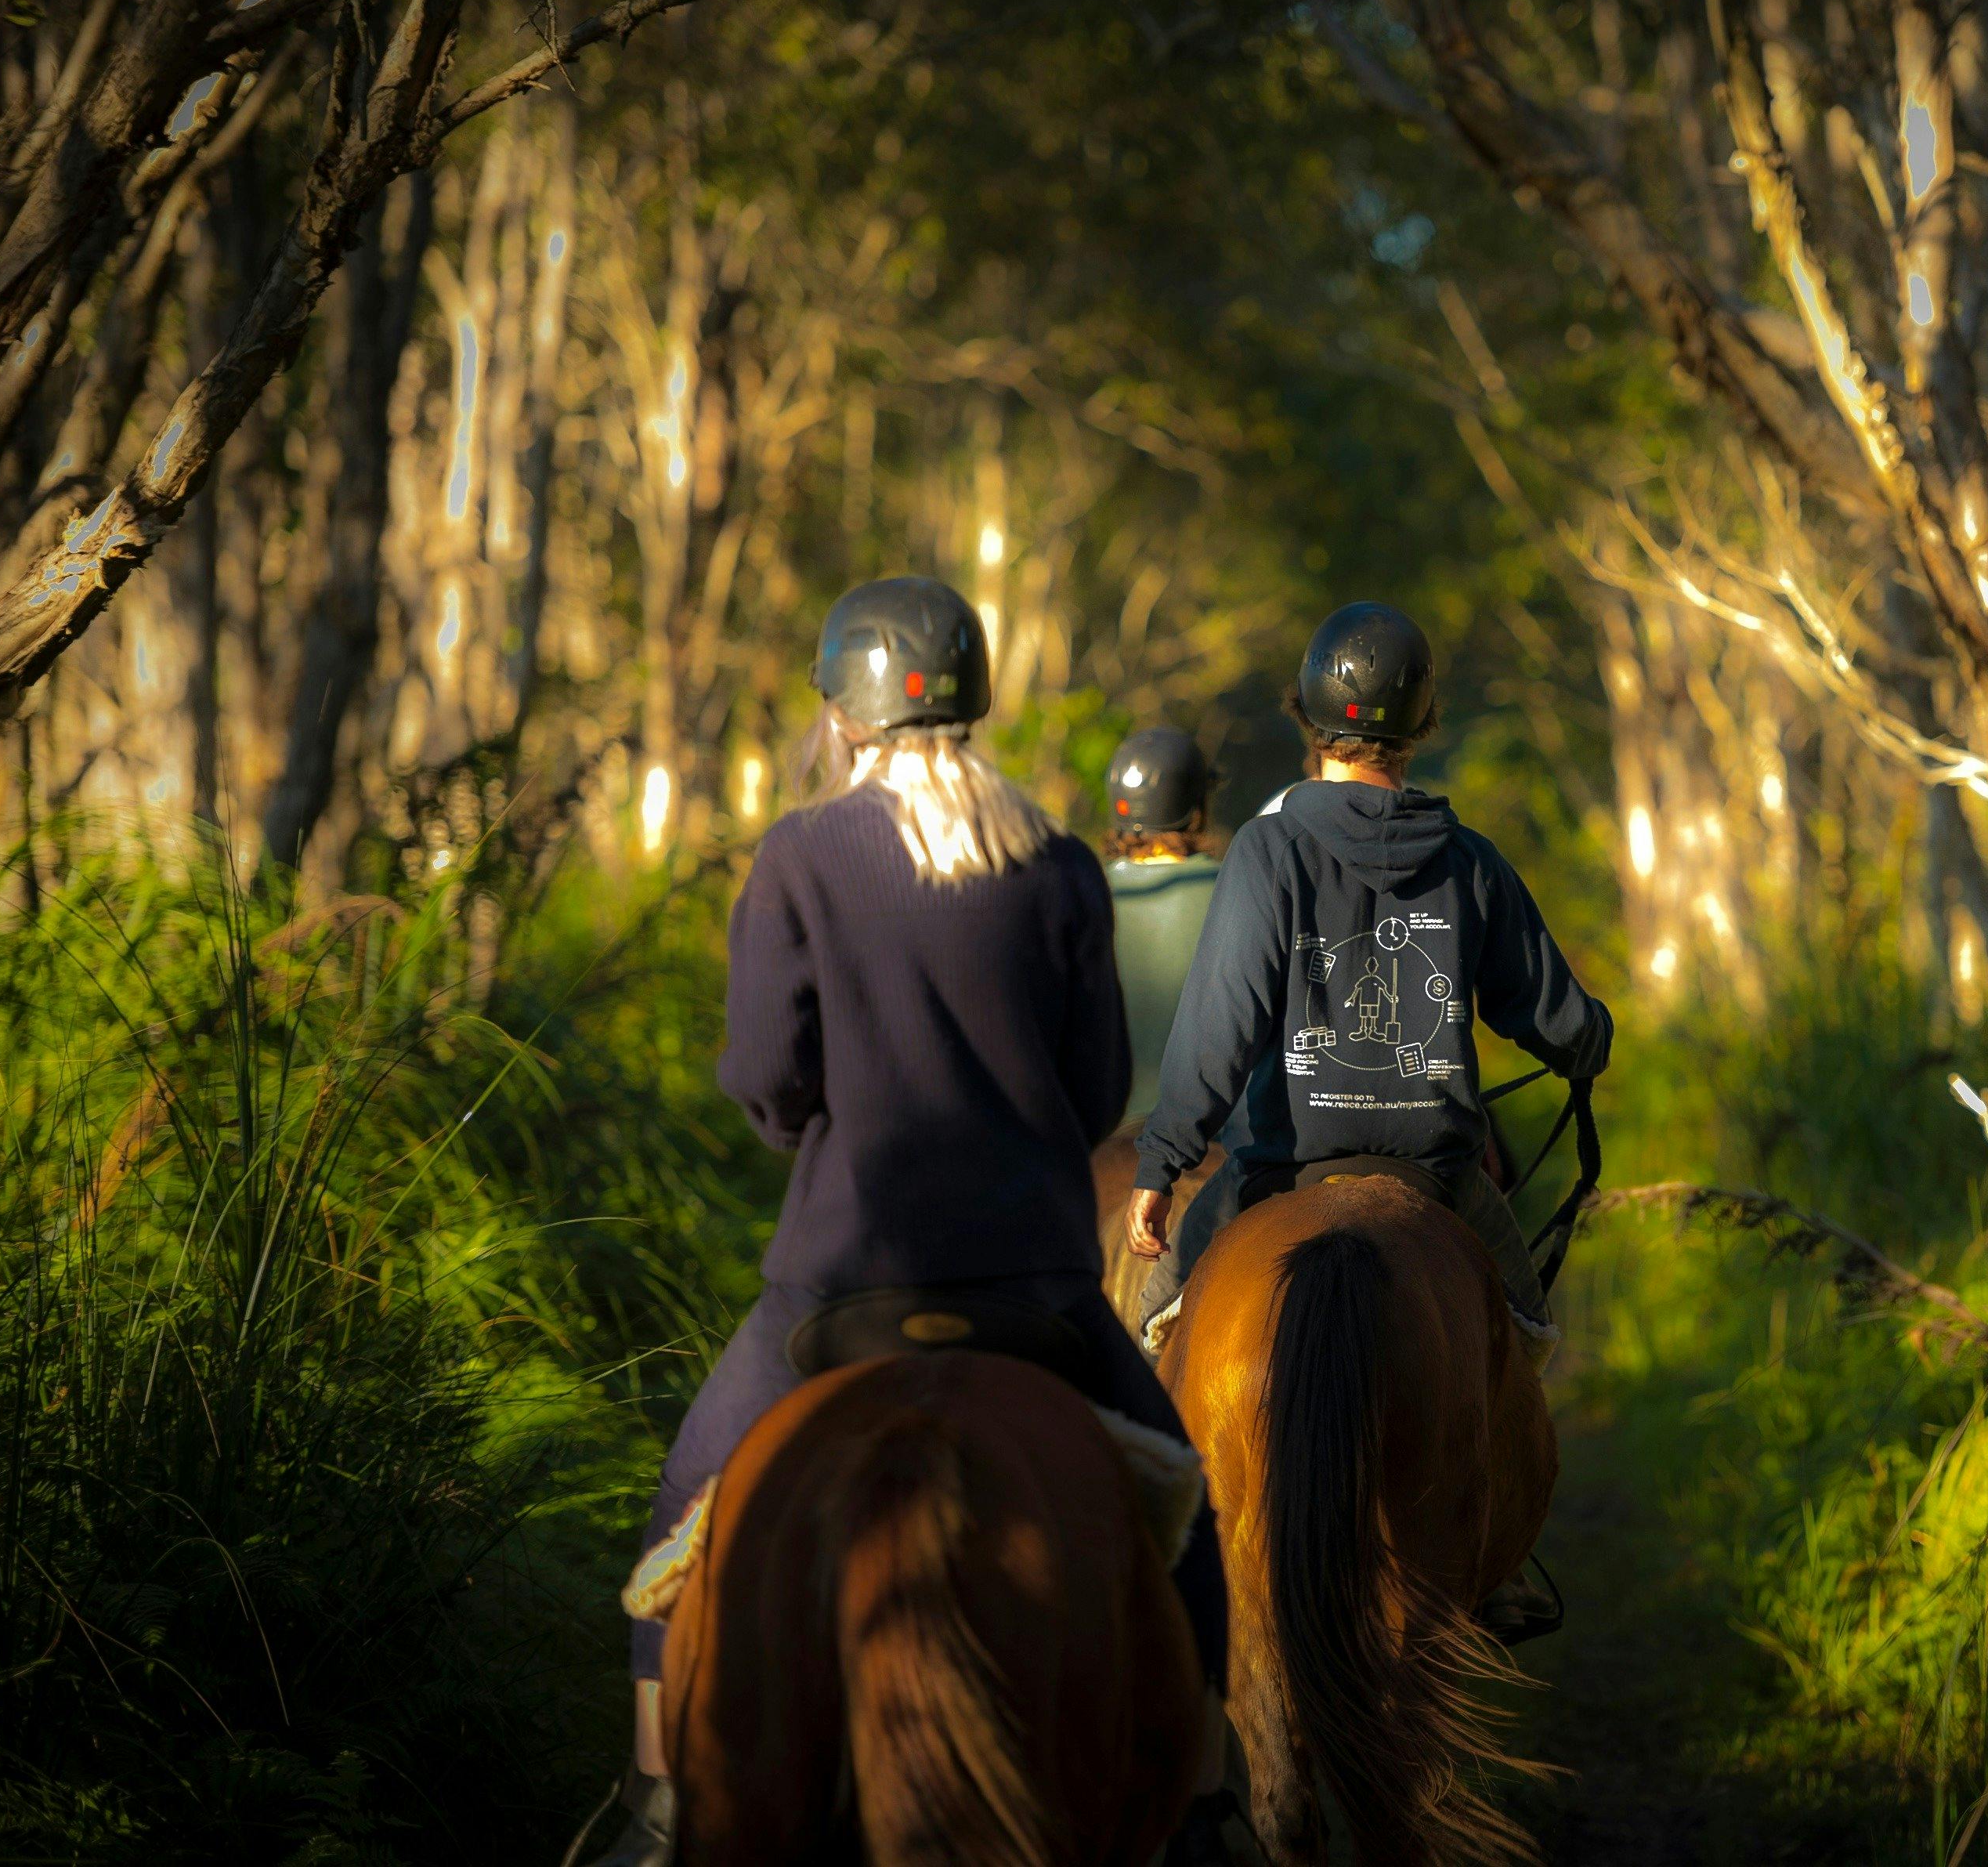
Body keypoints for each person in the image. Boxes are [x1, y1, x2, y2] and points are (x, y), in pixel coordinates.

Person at [589, 577, 1232, 1867]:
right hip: (1038, 1286)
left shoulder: (799, 855)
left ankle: (659, 1812)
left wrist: (807, 1136)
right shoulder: (1054, 860)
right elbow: (1099, 1087)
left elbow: (770, 1075)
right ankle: (1209, 1805)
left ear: (848, 714)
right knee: (1186, 1517)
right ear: (970, 704)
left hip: (842, 1279)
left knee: (679, 1513)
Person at [1122, 601, 1614, 1366]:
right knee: (1528, 1338)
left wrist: (1162, 1161)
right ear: (1419, 724)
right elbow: (1554, 1015)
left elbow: (1219, 1027)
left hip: (1280, 1161)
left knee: (1158, 1327)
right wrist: (1589, 1041)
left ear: (1309, 717)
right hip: (1439, 1173)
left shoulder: (1266, 848)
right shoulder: (1470, 858)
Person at [1103, 725, 1223, 1126]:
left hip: (1105, 1123)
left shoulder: (1086, 891)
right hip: (1208, 1127)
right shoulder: (1231, 888)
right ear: (1197, 810)